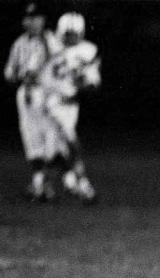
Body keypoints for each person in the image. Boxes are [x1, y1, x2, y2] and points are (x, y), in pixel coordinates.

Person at [36, 11, 101, 203]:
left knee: (53, 150)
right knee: (72, 143)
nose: (71, 37)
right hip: (51, 102)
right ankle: (83, 184)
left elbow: (93, 82)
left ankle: (44, 186)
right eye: (68, 33)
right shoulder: (50, 45)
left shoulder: (87, 50)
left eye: (74, 33)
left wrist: (85, 81)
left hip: (70, 105)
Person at [3, 2, 61, 201]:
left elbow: (57, 64)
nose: (32, 21)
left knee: (51, 140)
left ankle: (43, 185)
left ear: (44, 20)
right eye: (29, 18)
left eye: (37, 17)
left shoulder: (50, 40)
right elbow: (10, 71)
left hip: (47, 93)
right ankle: (40, 186)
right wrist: (18, 76)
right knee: (31, 138)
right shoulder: (19, 43)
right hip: (26, 95)